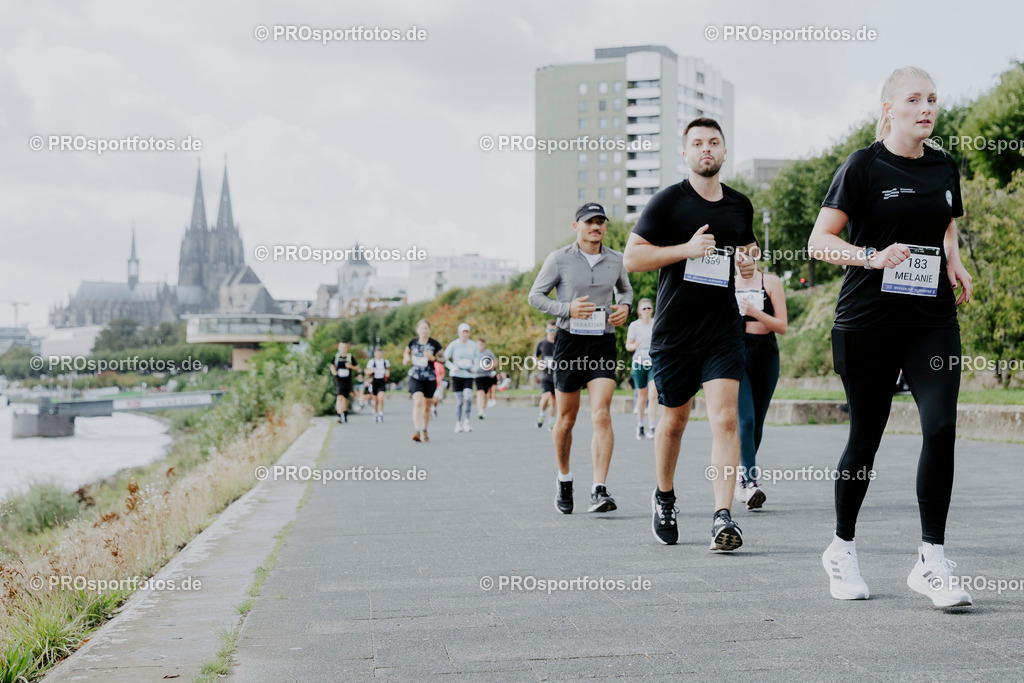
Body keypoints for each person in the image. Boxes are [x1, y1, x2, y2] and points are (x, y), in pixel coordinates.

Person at [808, 66, 973, 607]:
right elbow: (819, 241)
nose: (926, 107)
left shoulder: (945, 166)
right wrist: (870, 257)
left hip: (930, 317)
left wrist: (953, 261)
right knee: (867, 437)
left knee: (942, 425)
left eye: (932, 98)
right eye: (914, 99)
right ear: (888, 108)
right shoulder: (863, 166)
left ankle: (931, 560)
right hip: (869, 318)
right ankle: (842, 548)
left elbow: (945, 220)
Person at [623, 117, 757, 550]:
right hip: (675, 333)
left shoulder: (740, 205)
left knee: (726, 419)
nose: (706, 149)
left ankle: (723, 517)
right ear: (685, 152)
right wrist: (685, 249)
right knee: (674, 421)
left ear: (723, 151)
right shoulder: (667, 203)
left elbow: (748, 249)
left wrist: (749, 263)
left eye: (714, 142)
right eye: (697, 143)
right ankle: (664, 496)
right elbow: (632, 259)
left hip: (722, 329)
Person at [528, 201, 633, 515]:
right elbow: (535, 296)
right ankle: (564, 477)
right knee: (566, 420)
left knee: (601, 414)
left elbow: (626, 291)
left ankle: (599, 489)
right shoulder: (558, 259)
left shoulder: (616, 259)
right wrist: (567, 309)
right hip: (569, 343)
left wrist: (624, 309)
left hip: (602, 342)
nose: (595, 226)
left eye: (600, 221)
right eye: (589, 222)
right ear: (577, 227)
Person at [733, 244, 788, 509]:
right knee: (746, 420)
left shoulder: (771, 281)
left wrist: (756, 313)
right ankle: (750, 482)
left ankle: (743, 477)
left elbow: (782, 325)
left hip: (766, 353)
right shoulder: (727, 283)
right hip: (736, 352)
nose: (744, 254)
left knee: (758, 423)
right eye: (739, 250)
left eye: (750, 248)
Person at [403, 320, 445, 442]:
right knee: (418, 401)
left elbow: (444, 359)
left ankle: (424, 429)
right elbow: (406, 354)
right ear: (417, 330)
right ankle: (417, 430)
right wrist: (406, 359)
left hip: (430, 378)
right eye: (422, 328)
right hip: (415, 376)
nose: (424, 330)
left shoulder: (434, 344)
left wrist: (434, 358)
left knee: (427, 406)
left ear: (429, 330)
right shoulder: (412, 343)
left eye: (426, 328)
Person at [626, 298, 658, 440]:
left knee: (653, 395)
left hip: (653, 362)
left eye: (649, 308)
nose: (647, 311)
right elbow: (628, 345)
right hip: (639, 362)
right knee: (642, 396)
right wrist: (634, 346)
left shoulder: (656, 324)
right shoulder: (634, 326)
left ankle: (652, 426)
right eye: (644, 308)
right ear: (639, 311)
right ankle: (640, 425)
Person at [444, 323, 479, 433]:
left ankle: (467, 421)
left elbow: (478, 359)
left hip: (468, 375)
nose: (464, 334)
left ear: (468, 333)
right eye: (463, 332)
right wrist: (453, 367)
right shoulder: (454, 344)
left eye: (466, 332)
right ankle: (458, 423)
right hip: (457, 375)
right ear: (459, 333)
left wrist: (474, 368)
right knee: (459, 401)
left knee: (468, 398)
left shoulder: (473, 345)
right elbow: (444, 358)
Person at [534, 321, 558, 429]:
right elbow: (535, 356)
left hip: (557, 377)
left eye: (554, 330)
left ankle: (551, 422)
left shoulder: (560, 343)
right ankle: (541, 415)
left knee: (554, 401)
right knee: (546, 397)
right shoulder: (541, 343)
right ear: (547, 330)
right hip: (545, 376)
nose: (552, 332)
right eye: (550, 329)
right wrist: (538, 363)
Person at [329, 341, 359, 424]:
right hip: (339, 380)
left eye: (344, 347)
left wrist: (351, 366)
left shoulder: (350, 357)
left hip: (347, 380)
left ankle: (345, 414)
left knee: (345, 398)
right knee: (339, 396)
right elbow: (332, 365)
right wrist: (334, 371)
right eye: (341, 347)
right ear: (339, 348)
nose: (343, 349)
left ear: (347, 348)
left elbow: (357, 367)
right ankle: (339, 415)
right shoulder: (336, 357)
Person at [365, 347, 391, 423]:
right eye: (377, 353)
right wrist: (370, 371)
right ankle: (375, 414)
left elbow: (388, 371)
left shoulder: (385, 362)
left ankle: (381, 413)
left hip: (382, 381)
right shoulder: (371, 362)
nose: (378, 355)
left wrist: (387, 373)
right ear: (374, 354)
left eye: (380, 353)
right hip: (374, 382)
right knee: (375, 400)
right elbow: (366, 371)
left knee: (381, 398)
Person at [474, 337, 497, 419]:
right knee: (480, 392)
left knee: (485, 394)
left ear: (484, 345)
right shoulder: (474, 353)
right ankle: (480, 411)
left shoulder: (488, 353)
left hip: (487, 375)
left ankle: (483, 408)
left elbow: (495, 362)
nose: (480, 346)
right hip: (477, 375)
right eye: (479, 344)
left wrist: (490, 366)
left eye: (482, 344)